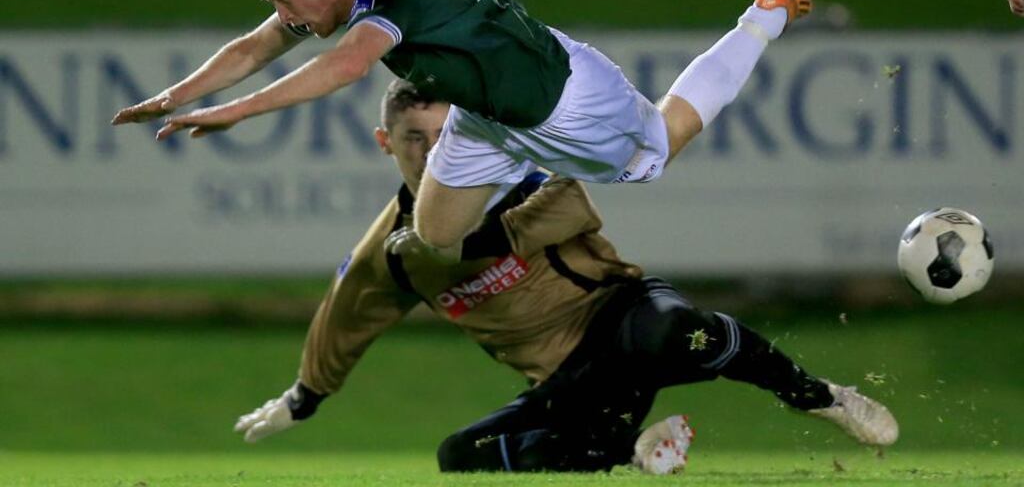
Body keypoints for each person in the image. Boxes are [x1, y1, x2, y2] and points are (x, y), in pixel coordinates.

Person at [231, 79, 898, 475]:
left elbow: (570, 203)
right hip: (568, 381)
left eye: (444, 136)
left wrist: (469, 243)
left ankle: (819, 397)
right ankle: (633, 451)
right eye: (414, 139)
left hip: (621, 318)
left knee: (670, 328)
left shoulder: (520, 173)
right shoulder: (395, 250)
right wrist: (305, 397)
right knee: (461, 457)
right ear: (386, 144)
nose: (433, 152)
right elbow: (349, 311)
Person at [110, 0, 812, 264]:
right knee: (434, 239)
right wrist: (173, 96)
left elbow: (348, 66)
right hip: (482, 113)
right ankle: (525, 234)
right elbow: (255, 45)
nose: (282, 14)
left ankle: (765, 14)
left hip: (561, 98)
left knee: (659, 143)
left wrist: (232, 113)